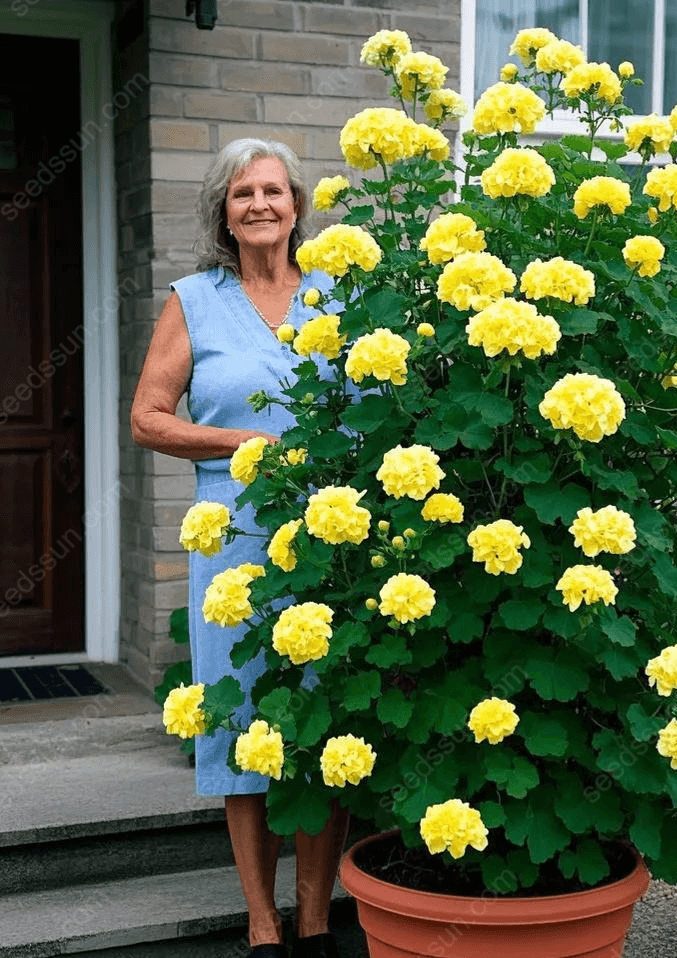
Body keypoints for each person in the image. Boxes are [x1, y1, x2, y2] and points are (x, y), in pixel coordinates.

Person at [131, 138, 348, 958]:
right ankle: (263, 926)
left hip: (334, 534)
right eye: (242, 193)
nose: (259, 204)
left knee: (326, 722)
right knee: (241, 725)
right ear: (224, 213)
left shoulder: (338, 295)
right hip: (231, 533)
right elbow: (149, 415)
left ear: (297, 205)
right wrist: (239, 442)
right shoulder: (195, 300)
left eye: (273, 191)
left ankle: (318, 920)